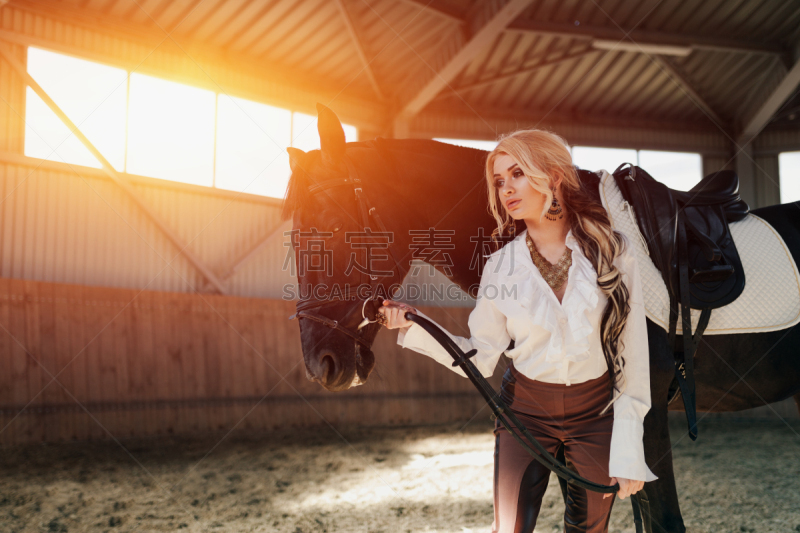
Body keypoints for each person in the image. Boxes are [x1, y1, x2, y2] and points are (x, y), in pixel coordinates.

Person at [378, 129, 657, 533]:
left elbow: (632, 352)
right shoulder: (499, 266)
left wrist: (630, 448)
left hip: (596, 416)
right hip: (525, 414)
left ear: (553, 176)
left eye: (517, 174)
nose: (506, 188)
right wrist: (416, 324)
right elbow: (481, 355)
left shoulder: (614, 251)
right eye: (499, 181)